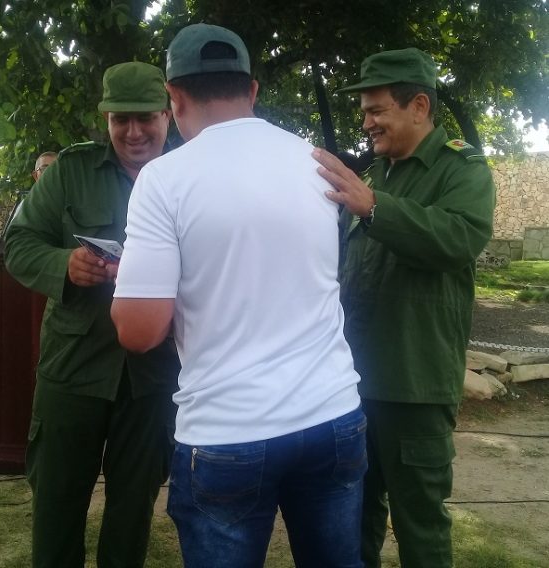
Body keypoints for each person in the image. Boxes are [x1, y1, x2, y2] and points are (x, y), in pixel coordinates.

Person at [111, 24, 366, 568]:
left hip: (228, 430)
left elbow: (139, 331)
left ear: (174, 99)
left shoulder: (163, 180)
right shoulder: (316, 162)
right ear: (251, 91)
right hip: (333, 413)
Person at [313, 48, 495, 567]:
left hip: (414, 385)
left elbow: (457, 238)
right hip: (352, 383)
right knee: (356, 513)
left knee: (421, 523)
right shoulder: (376, 176)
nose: (366, 122)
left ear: (419, 106)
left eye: (376, 110)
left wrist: (374, 209)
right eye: (365, 111)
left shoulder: (462, 170)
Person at [4, 62, 179, 568]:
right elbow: (20, 242)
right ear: (105, 119)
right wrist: (65, 263)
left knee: (133, 510)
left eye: (145, 117)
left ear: (167, 113)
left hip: (151, 373)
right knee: (57, 502)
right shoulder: (71, 172)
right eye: (119, 119)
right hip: (74, 368)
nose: (133, 132)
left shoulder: (187, 176)